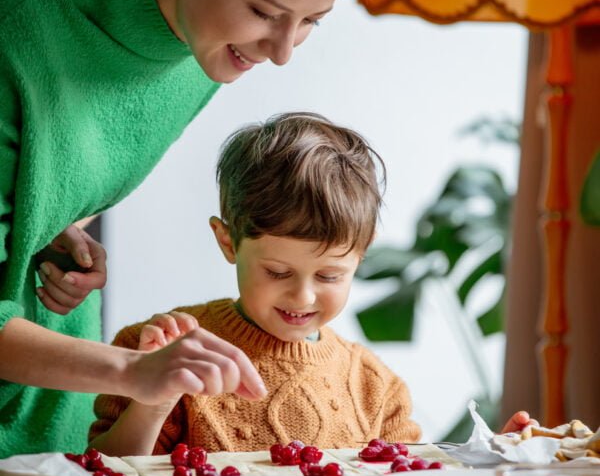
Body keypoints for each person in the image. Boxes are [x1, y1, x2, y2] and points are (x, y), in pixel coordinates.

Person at [0, 0, 366, 458]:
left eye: (310, 22)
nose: (281, 53)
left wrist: (46, 226)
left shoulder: (211, 35)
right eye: (265, 12)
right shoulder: (19, 15)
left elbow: (54, 162)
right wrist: (129, 373)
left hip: (43, 413)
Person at [89, 113, 534, 456]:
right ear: (228, 241)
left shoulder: (376, 388)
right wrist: (154, 398)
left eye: (329, 276)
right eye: (277, 273)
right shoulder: (162, 350)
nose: (302, 296)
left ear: (361, 254)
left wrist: (491, 456)